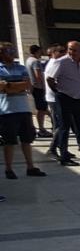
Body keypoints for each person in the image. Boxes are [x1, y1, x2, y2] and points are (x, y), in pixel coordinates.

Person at [0, 42, 47, 184]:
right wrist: (13, 86)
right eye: (8, 51)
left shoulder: (20, 68)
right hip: (7, 110)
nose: (12, 53)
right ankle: (9, 168)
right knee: (10, 141)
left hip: (23, 109)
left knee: (27, 139)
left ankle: (30, 167)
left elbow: (28, 85)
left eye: (13, 50)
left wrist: (9, 85)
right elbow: (2, 88)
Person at [45, 40, 80, 166]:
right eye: (70, 49)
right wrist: (58, 91)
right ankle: (64, 157)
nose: (72, 52)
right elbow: (50, 78)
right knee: (64, 127)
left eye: (75, 50)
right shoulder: (61, 62)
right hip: (65, 97)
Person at [24, 45, 51, 137]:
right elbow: (38, 75)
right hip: (39, 88)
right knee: (41, 109)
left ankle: (48, 123)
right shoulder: (35, 61)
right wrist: (44, 86)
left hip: (34, 88)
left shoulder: (28, 60)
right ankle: (41, 129)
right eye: (40, 51)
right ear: (37, 51)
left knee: (42, 108)